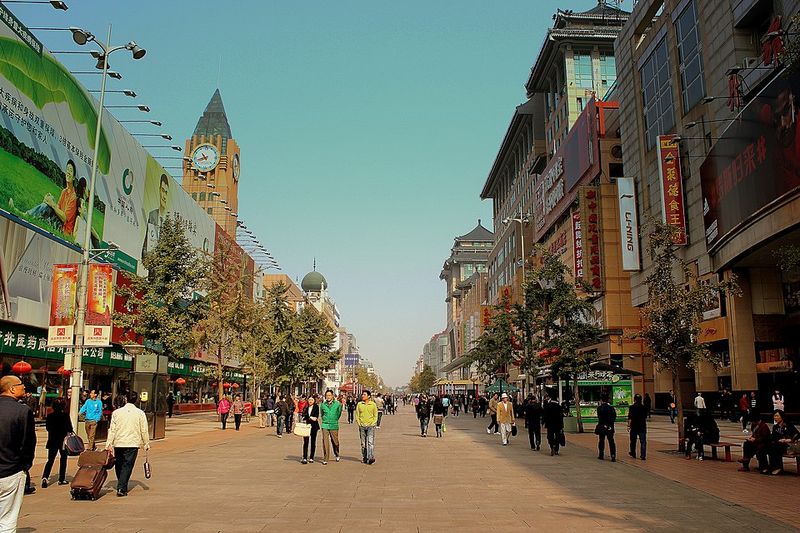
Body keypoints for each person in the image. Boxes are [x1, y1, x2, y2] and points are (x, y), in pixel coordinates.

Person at [0, 375, 35, 531]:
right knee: (7, 518)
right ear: (12, 388)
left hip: (12, 469)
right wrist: (25, 466)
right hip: (11, 470)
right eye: (21, 384)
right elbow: (28, 443)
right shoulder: (22, 411)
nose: (24, 387)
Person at [105, 391, 150, 497]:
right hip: (132, 443)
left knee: (119, 463)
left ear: (125, 399)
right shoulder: (140, 413)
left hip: (119, 442)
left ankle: (121, 482)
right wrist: (146, 443)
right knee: (127, 465)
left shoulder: (117, 413)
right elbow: (144, 429)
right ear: (137, 400)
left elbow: (112, 430)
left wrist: (108, 443)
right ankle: (121, 487)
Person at [42, 397, 72, 487]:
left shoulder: (50, 416)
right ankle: (61, 479)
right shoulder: (65, 416)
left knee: (50, 460)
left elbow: (48, 428)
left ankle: (45, 477)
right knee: (63, 459)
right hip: (62, 441)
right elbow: (69, 428)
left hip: (52, 440)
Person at [766, 410, 799, 475]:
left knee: (775, 447)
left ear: (782, 417)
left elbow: (797, 435)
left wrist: (788, 440)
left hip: (788, 446)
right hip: (779, 444)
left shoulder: (788, 425)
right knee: (770, 446)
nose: (775, 418)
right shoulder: (775, 427)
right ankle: (773, 466)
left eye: (777, 416)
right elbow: (773, 438)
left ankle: (778, 468)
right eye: (774, 416)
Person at [320, 390, 342, 465]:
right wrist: (325, 420)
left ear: (332, 396)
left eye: (329, 395)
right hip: (325, 425)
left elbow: (339, 413)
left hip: (334, 424)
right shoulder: (323, 405)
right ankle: (326, 458)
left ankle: (337, 453)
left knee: (335, 442)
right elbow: (322, 414)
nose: (328, 397)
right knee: (325, 442)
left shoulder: (338, 404)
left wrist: (334, 419)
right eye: (327, 395)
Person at [355, 390, 378, 464]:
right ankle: (365, 457)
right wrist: (359, 423)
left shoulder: (373, 404)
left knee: (370, 442)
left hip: (370, 426)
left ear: (368, 396)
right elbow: (357, 415)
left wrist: (373, 423)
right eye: (362, 394)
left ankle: (371, 457)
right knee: (363, 444)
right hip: (362, 426)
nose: (362, 396)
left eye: (364, 394)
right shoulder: (359, 404)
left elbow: (375, 415)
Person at [595, 393, 617, 462]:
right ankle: (613, 455)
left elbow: (599, 417)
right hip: (610, 426)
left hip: (602, 426)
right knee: (611, 441)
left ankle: (601, 454)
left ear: (601, 400)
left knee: (601, 440)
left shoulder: (599, 408)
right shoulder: (611, 408)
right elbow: (614, 417)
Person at [300, 395, 320, 464]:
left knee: (313, 442)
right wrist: (309, 418)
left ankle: (311, 457)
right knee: (305, 442)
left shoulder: (316, 407)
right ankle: (305, 457)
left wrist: (310, 417)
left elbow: (316, 417)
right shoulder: (306, 407)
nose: (310, 401)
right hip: (306, 426)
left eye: (312, 400)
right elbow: (303, 416)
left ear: (314, 400)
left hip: (314, 427)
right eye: (309, 400)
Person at [627, 393, 647, 460]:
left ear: (634, 400)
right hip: (642, 426)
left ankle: (633, 453)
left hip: (634, 426)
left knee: (633, 440)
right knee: (643, 441)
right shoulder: (644, 407)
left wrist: (629, 425)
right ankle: (643, 455)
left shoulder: (632, 407)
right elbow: (645, 417)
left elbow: (630, 418)